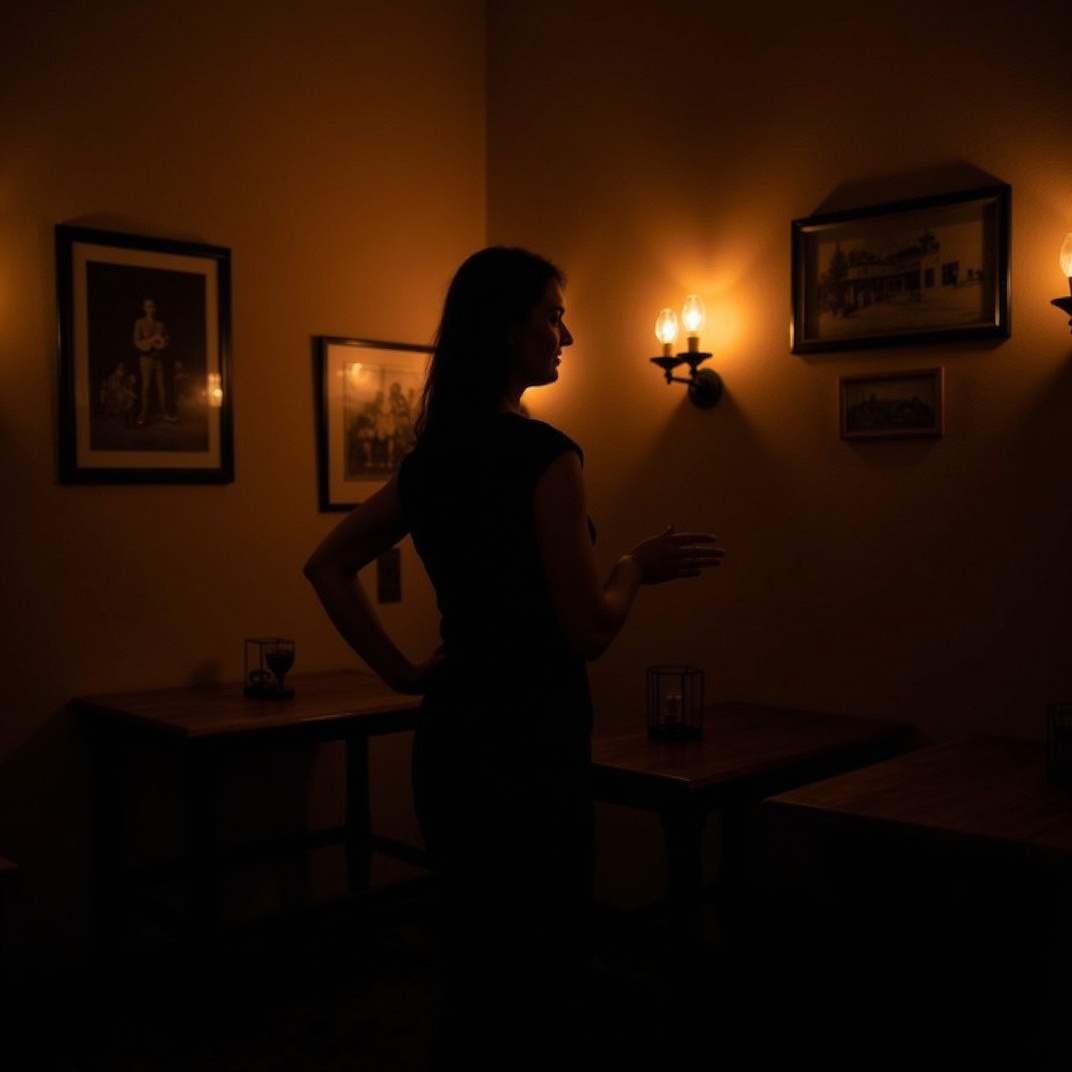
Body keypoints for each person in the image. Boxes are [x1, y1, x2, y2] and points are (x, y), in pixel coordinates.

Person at [303, 247, 724, 1068]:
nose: (566, 335)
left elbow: (327, 566)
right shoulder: (545, 455)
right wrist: (634, 567)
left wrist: (401, 673)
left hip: (453, 735)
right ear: (508, 327)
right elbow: (588, 630)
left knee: (474, 962)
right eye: (553, 316)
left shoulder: (431, 460)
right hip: (531, 737)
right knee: (541, 962)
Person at [133, 297, 175, 425]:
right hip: (146, 359)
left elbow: (167, 339)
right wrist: (151, 341)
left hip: (159, 359)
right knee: (146, 387)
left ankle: (165, 413)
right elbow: (137, 342)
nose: (151, 309)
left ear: (155, 308)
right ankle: (143, 415)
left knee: (162, 387)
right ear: (144, 308)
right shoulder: (140, 323)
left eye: (152, 306)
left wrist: (163, 343)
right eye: (148, 306)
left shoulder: (160, 324)